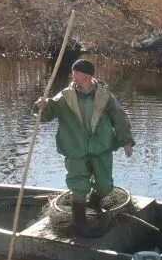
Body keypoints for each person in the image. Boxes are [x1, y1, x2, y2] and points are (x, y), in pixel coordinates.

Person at [35, 58, 136, 236]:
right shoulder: (65, 96)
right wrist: (41, 107)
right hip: (75, 149)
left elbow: (119, 117)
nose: (72, 75)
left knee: (105, 185)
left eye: (76, 72)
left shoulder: (105, 95)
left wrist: (126, 141)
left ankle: (95, 202)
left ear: (87, 76)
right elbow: (46, 114)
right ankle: (80, 223)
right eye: (73, 72)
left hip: (101, 147)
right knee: (79, 186)